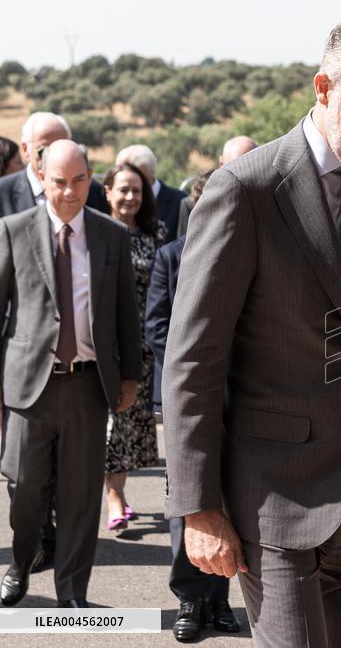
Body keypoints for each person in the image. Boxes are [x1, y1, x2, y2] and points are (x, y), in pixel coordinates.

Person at [162, 11, 341, 646]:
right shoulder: (246, 190)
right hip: (275, 503)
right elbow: (192, 361)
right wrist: (198, 508)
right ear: (323, 87)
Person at [0, 140, 141, 608]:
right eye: (59, 181)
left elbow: (126, 312)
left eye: (79, 180)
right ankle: (20, 565)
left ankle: (72, 593)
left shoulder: (110, 236)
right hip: (28, 387)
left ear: (90, 176)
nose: (69, 191)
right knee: (24, 492)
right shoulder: (13, 230)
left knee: (80, 496)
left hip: (87, 384)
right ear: (41, 178)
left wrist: (130, 377)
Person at [146, 168, 240, 642]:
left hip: (239, 398)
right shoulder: (171, 257)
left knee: (229, 498)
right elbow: (157, 327)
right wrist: (193, 369)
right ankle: (189, 597)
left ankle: (219, 598)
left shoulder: (245, 255)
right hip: (189, 397)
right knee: (187, 496)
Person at [101, 163, 167, 529]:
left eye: (137, 191)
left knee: (131, 424)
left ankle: (119, 493)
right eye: (123, 189)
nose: (130, 197)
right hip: (105, 344)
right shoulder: (95, 232)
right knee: (112, 422)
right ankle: (114, 498)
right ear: (107, 191)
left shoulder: (156, 233)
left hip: (144, 346)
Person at [0, 112, 109, 218]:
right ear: (25, 149)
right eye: (43, 151)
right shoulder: (3, 192)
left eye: (61, 149)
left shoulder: (94, 193)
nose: (52, 158)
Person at [177, 136, 259, 237]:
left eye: (248, 165)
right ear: (221, 162)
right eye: (236, 167)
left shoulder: (266, 199)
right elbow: (182, 247)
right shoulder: (192, 203)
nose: (242, 173)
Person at [116, 144, 186, 241]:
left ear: (146, 171)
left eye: (125, 170)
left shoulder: (181, 202)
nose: (120, 175)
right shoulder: (112, 199)